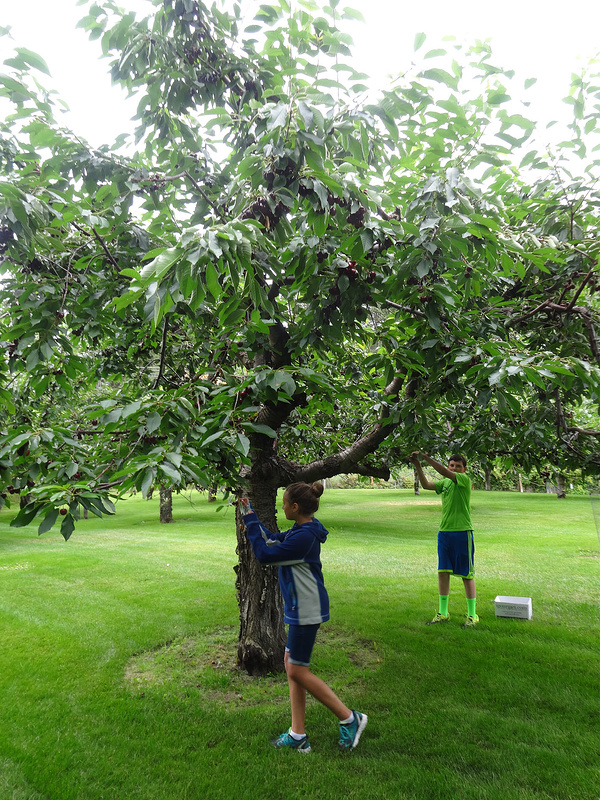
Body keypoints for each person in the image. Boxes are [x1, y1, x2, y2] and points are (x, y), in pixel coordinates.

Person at [240, 482, 367, 753]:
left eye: (284, 503)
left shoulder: (304, 538)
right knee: (291, 665)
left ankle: (349, 718)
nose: (281, 506)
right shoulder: (301, 529)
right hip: (300, 607)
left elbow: (265, 554)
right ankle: (298, 734)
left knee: (297, 669)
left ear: (295, 507)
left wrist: (251, 524)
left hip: (307, 609)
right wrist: (251, 518)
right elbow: (274, 539)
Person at [410, 451, 479, 628]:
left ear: (464, 469)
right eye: (451, 465)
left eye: (457, 466)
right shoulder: (446, 483)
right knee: (443, 572)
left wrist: (426, 457)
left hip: (462, 532)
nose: (453, 468)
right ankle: (443, 612)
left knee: (467, 574)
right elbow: (426, 485)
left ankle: (472, 615)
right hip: (445, 533)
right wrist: (418, 465)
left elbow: (443, 472)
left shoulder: (464, 480)